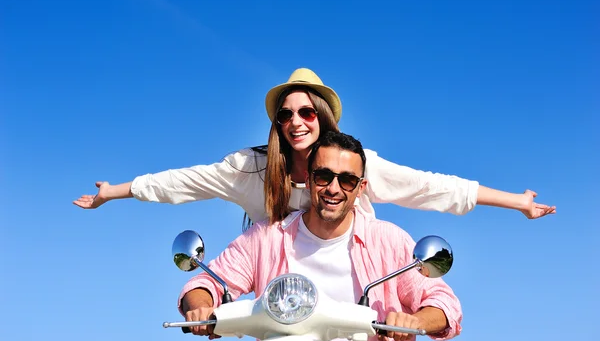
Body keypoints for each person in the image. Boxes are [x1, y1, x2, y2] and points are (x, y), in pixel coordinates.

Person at [73, 68, 556, 225]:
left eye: (306, 112)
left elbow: (428, 187)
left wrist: (517, 202)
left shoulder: (352, 164)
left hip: (352, 293)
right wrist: (112, 191)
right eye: (285, 114)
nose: (295, 121)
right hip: (283, 299)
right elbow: (180, 182)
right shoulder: (250, 169)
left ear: (322, 118)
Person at [179, 131, 462, 341]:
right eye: (324, 176)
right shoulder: (267, 237)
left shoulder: (387, 241)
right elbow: (207, 281)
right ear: (309, 179)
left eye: (347, 180)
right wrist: (201, 308)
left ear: (360, 187)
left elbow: (443, 304)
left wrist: (414, 320)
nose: (333, 189)